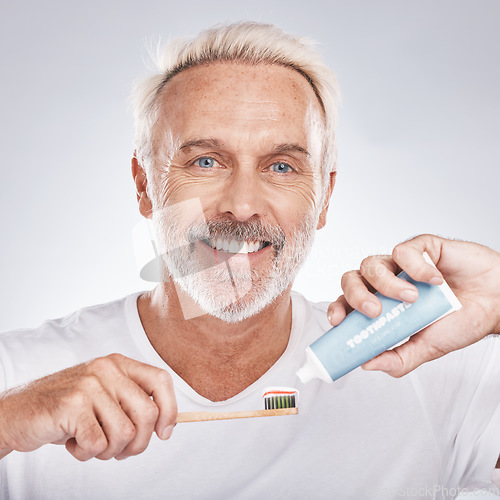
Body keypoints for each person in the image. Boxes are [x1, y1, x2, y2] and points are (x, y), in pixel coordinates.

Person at [0, 21, 498, 499]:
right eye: (206, 162)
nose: (241, 205)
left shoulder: (432, 375)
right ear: (143, 185)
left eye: (281, 166)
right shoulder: (18, 379)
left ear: (323, 199)